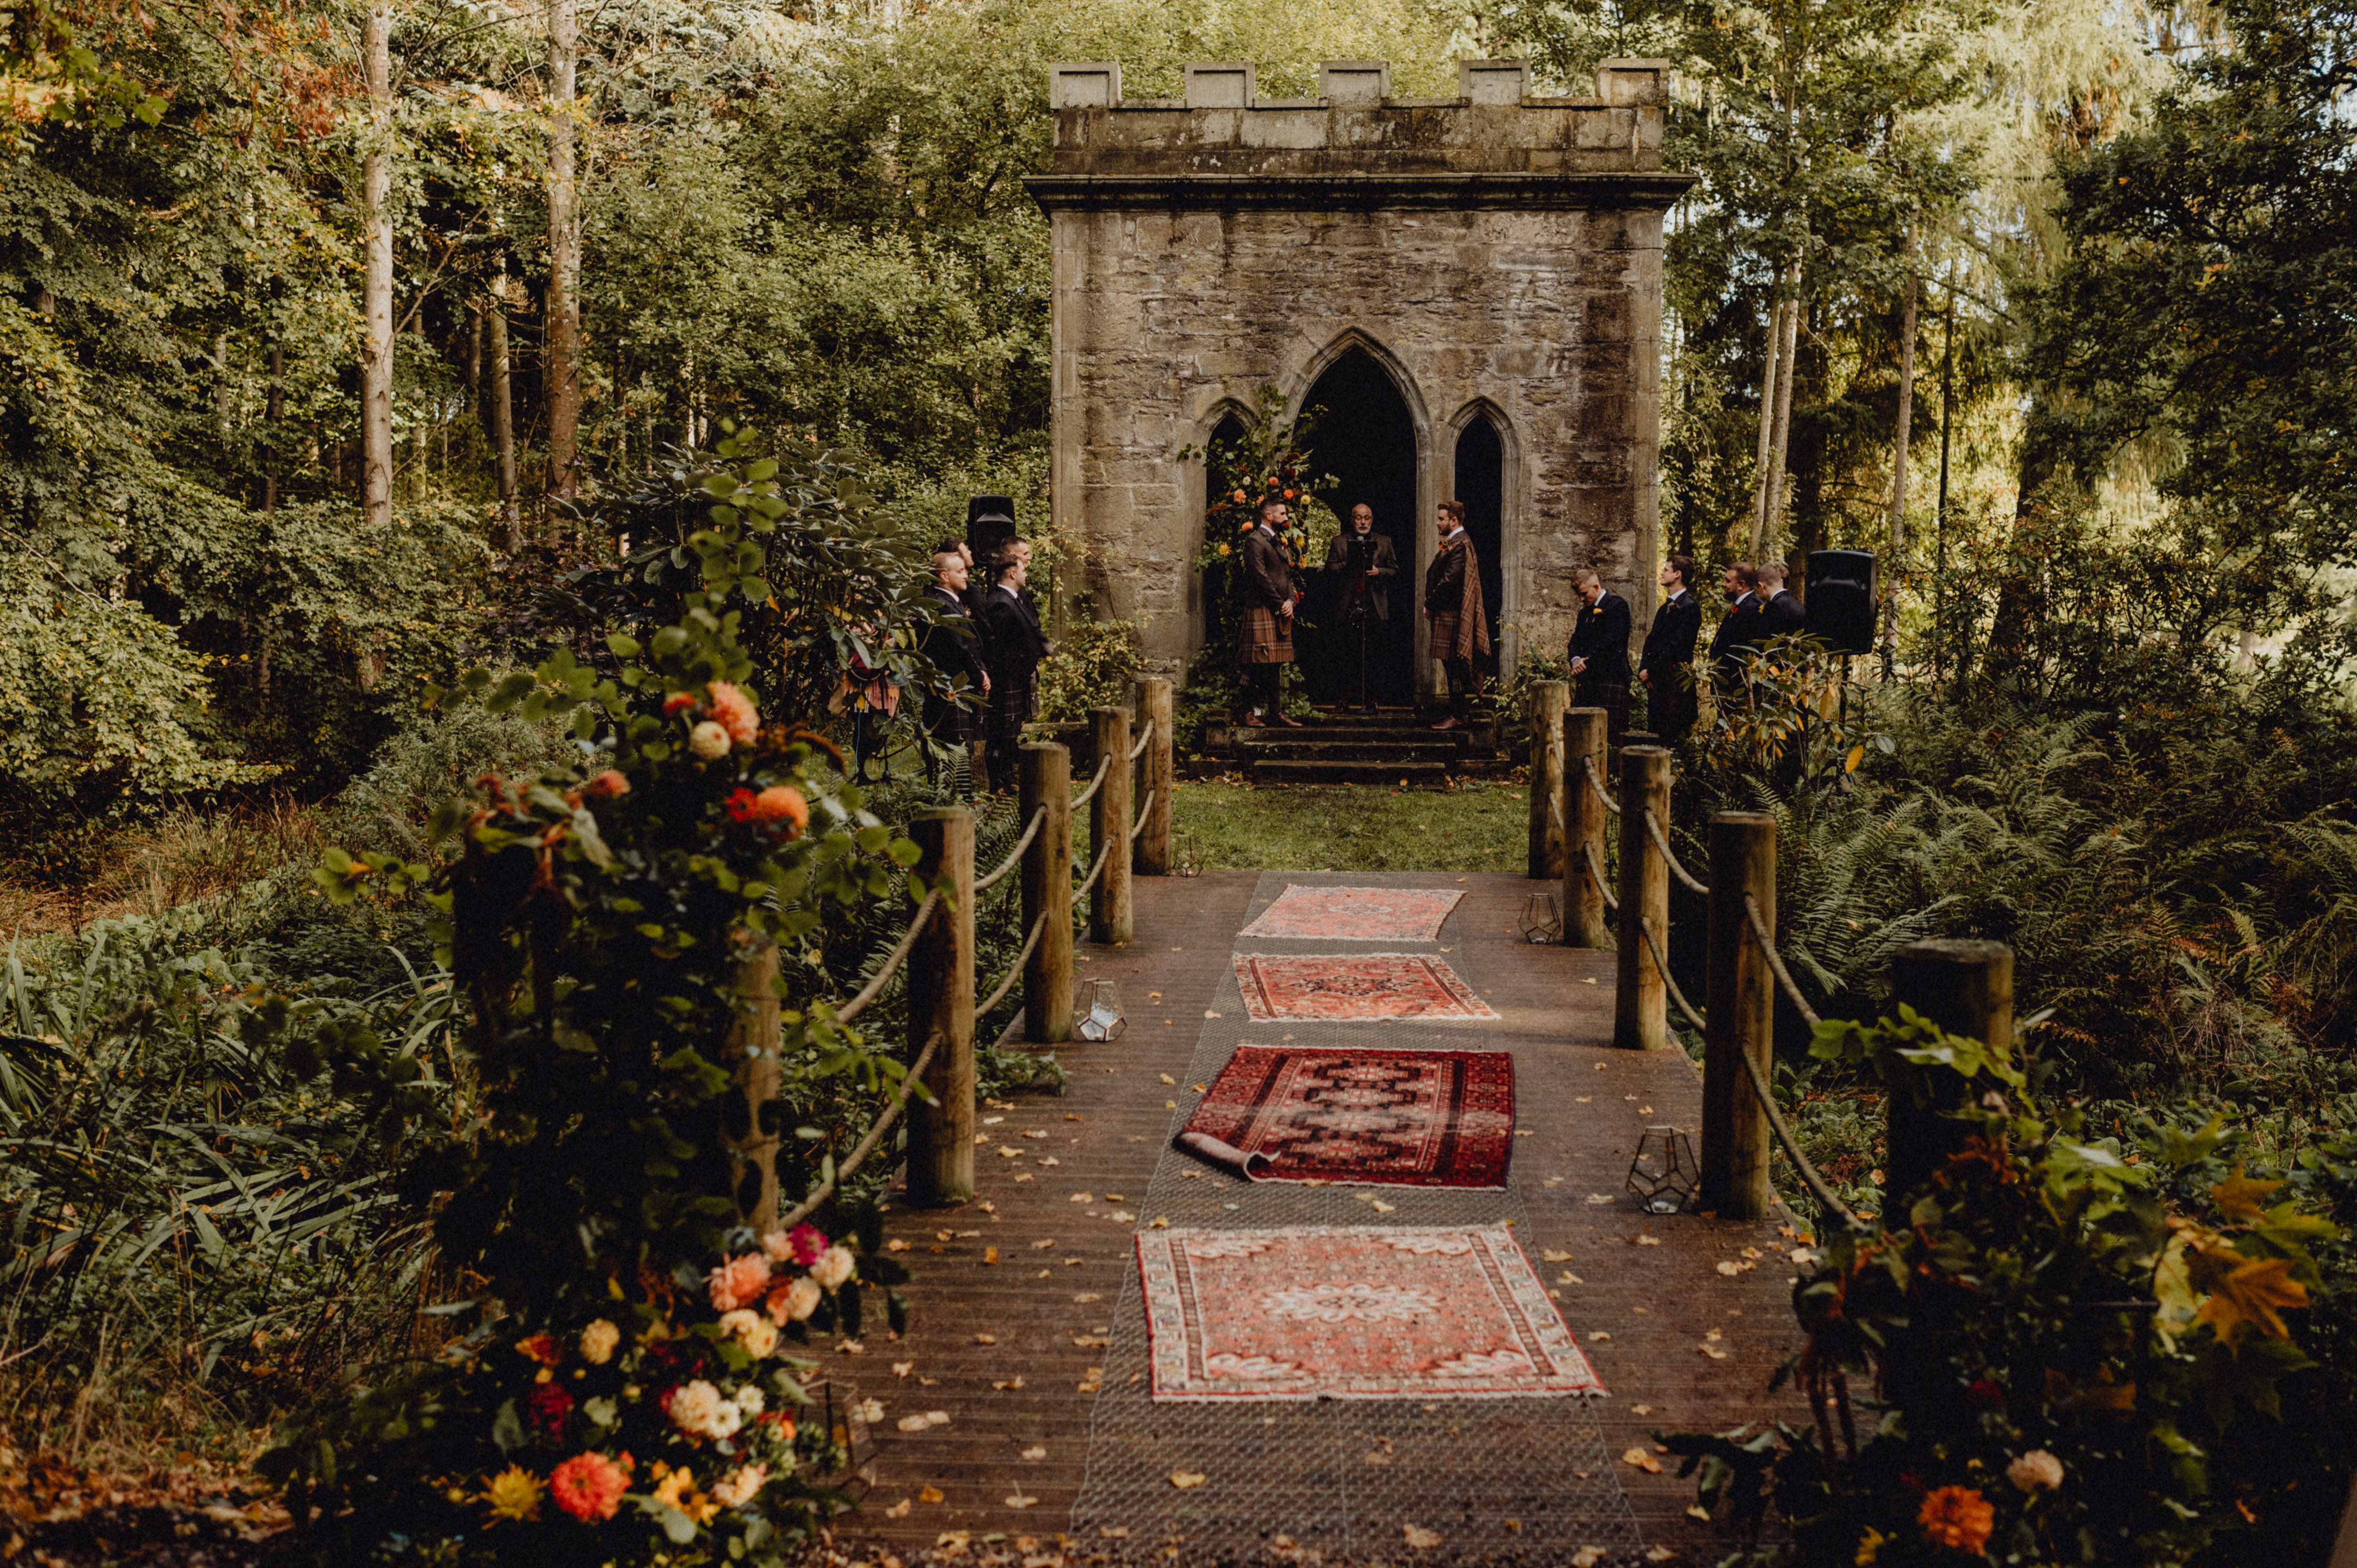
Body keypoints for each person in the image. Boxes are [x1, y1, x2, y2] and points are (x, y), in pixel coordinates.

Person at [918, 545, 989, 795]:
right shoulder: (942, 605)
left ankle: (959, 797)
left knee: (961, 746)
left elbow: (971, 641)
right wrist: (978, 674)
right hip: (950, 686)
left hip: (958, 682)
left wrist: (980, 667)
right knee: (956, 745)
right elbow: (959, 648)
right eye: (960, 571)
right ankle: (960, 799)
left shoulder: (951, 602)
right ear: (944, 577)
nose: (966, 575)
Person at [979, 538, 1048, 788]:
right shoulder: (1000, 603)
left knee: (1011, 732)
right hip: (1007, 678)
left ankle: (1007, 780)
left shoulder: (1013, 598)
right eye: (1024, 569)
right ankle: (999, 783)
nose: (1027, 573)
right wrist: (1017, 671)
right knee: (1002, 733)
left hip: (1016, 676)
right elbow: (1000, 648)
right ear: (1012, 573)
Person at [1320, 502, 1399, 714]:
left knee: (1374, 656)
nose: (1363, 522)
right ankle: (1343, 700)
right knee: (1345, 656)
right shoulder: (1339, 542)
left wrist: (1378, 571)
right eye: (1358, 518)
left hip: (1374, 606)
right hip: (1347, 607)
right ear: (1352, 520)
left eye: (1367, 518)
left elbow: (1394, 571)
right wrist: (1349, 564)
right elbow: (1329, 570)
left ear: (1372, 520)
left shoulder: (1384, 542)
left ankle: (1373, 700)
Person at [1424, 499, 1489, 731]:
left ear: (1454, 520)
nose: (1437, 522)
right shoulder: (1454, 542)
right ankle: (1457, 713)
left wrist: (1429, 603)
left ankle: (1458, 715)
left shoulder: (1461, 544)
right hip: (1446, 612)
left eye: (1441, 519)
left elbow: (1449, 581)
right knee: (1452, 666)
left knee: (1455, 666)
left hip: (1451, 613)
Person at [1238, 496, 1302, 727]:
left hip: (1278, 608)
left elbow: (1287, 576)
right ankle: (1248, 713)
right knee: (1255, 665)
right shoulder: (1256, 541)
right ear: (1269, 515)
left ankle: (1275, 713)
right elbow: (1260, 578)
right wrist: (1279, 604)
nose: (1286, 518)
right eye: (1282, 514)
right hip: (1262, 609)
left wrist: (1290, 601)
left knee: (1274, 665)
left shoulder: (1277, 541)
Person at [1638, 553, 1703, 745]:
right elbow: (1651, 642)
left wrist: (1651, 671)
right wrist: (1644, 668)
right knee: (1656, 733)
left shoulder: (1690, 608)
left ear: (1678, 575)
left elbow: (1677, 646)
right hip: (1658, 682)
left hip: (1675, 684)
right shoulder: (1664, 608)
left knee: (1674, 735)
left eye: (1666, 570)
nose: (1662, 573)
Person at [1566, 568, 1633, 740]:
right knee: (1584, 735)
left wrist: (1584, 664)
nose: (1581, 599)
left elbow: (1611, 644)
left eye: (1584, 594)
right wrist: (1575, 661)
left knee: (1609, 736)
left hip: (1611, 679)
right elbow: (1574, 642)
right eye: (1579, 595)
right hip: (1587, 681)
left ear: (1596, 587)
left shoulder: (1618, 606)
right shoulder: (1584, 613)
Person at [1708, 560, 1762, 692]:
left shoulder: (1753, 608)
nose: (1723, 584)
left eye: (1728, 581)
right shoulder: (1740, 605)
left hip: (1738, 687)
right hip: (1726, 684)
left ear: (1741, 585)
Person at [1755, 560, 1808, 644]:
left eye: (1757, 589)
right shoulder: (1797, 604)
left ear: (1761, 586)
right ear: (1781, 582)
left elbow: (1767, 641)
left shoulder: (1773, 607)